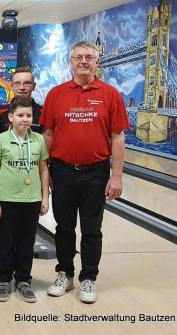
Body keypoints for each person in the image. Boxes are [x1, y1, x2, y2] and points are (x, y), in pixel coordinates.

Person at [41, 41, 128, 304]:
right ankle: (65, 273)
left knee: (92, 229)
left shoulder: (110, 94)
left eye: (89, 57)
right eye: (78, 57)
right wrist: (45, 172)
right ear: (71, 61)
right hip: (63, 171)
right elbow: (48, 134)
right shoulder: (56, 94)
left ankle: (88, 278)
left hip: (96, 173)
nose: (84, 61)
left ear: (97, 62)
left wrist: (117, 176)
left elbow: (118, 137)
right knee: (64, 227)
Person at [0, 96, 49, 303]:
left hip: (31, 200)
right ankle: (3, 280)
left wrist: (45, 198)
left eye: (29, 115)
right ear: (10, 117)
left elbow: (43, 169)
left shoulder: (38, 140)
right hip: (6, 200)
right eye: (20, 115)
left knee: (26, 243)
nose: (25, 119)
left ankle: (23, 280)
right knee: (5, 242)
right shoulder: (0, 140)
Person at [0, 67, 43, 137]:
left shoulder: (43, 113)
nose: (22, 88)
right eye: (17, 83)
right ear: (11, 85)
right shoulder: (1, 112)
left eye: (27, 83)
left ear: (34, 86)